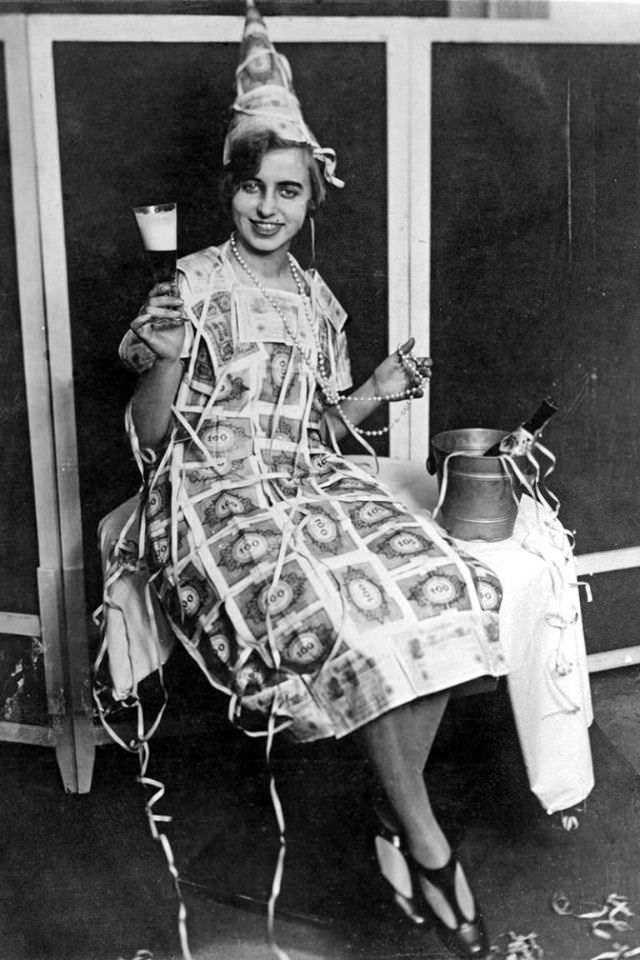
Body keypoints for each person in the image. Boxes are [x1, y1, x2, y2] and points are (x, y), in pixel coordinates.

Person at [110, 3, 510, 957]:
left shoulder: (316, 301)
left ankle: (388, 809)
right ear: (229, 191)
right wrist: (164, 355)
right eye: (253, 187)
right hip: (212, 500)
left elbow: (319, 430)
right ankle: (425, 838)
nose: (268, 207)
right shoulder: (189, 284)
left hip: (306, 480)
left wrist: (374, 387)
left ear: (309, 200)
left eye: (288, 191)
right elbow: (151, 440)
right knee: (356, 623)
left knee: (451, 585)